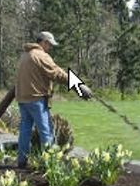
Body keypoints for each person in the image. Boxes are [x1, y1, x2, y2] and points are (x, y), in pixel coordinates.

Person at [15, 31, 91, 168]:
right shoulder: (41, 56)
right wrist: (79, 86)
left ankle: (21, 161)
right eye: (50, 45)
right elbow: (57, 73)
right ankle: (50, 164)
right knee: (46, 131)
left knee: (25, 130)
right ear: (43, 42)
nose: (50, 48)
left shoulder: (25, 55)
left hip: (22, 99)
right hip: (36, 99)